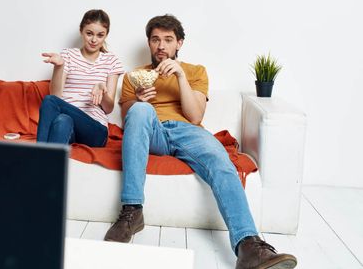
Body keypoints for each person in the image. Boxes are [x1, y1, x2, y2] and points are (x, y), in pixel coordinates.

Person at [104, 14, 297, 269]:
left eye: (168, 40)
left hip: (187, 131)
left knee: (221, 160)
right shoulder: (134, 76)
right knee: (140, 112)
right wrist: (140, 100)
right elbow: (131, 122)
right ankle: (132, 211)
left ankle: (248, 246)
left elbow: (195, 115)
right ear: (149, 43)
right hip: (152, 131)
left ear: (179, 43)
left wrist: (181, 77)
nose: (161, 46)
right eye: (155, 40)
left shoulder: (195, 72)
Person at [36, 9, 124, 147]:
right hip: (70, 127)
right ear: (81, 31)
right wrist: (59, 66)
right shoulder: (67, 55)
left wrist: (103, 90)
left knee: (49, 101)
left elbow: (108, 108)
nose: (94, 40)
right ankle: (45, 163)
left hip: (95, 130)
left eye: (100, 35)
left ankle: (35, 154)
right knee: (62, 121)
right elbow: (56, 95)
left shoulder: (111, 61)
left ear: (106, 35)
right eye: (89, 33)